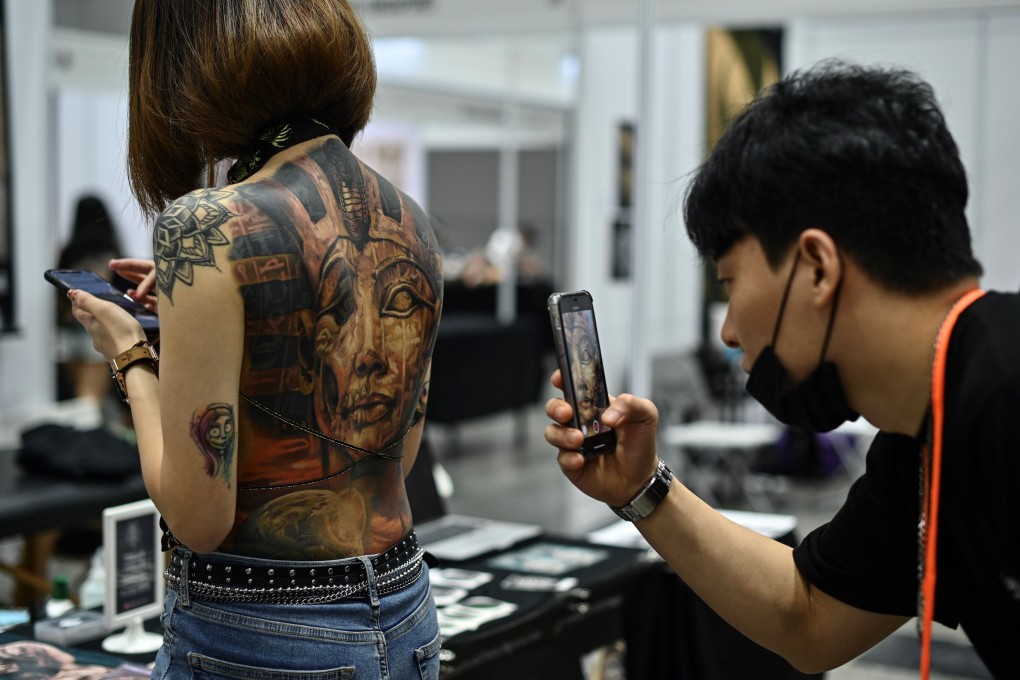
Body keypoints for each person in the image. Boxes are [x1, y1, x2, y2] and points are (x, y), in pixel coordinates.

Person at [545, 60, 1018, 678]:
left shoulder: (1005, 406)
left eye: (732, 283)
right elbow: (811, 617)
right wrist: (642, 490)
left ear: (817, 268)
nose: (729, 331)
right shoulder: (921, 435)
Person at [66, 1, 444, 677]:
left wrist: (130, 354)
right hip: (406, 605)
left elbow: (197, 516)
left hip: (263, 635)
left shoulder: (202, 226)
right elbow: (397, 450)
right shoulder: (411, 221)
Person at [55, 195, 124, 403]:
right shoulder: (111, 250)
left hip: (69, 327)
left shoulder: (69, 251)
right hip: (98, 325)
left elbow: (59, 293)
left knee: (78, 397)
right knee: (92, 399)